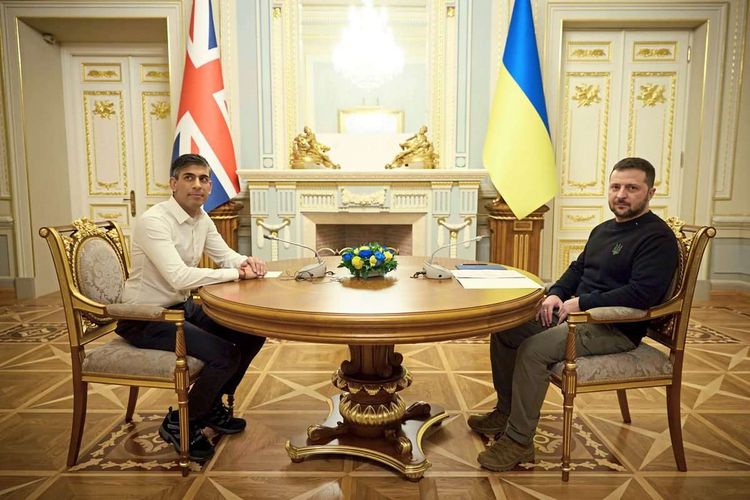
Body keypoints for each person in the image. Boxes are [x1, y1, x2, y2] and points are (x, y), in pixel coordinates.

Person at [469, 157, 679, 471]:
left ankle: (519, 442)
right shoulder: (604, 229)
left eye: (632, 188)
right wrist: (555, 294)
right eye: (615, 187)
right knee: (507, 328)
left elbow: (642, 294)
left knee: (534, 349)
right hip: (579, 317)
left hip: (615, 327)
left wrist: (581, 304)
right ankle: (507, 410)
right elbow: (578, 269)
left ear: (650, 192)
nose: (621, 194)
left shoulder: (657, 238)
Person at [115, 153, 267, 462]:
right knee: (226, 355)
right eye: (189, 177)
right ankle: (182, 421)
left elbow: (225, 255)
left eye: (204, 179)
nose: (197, 185)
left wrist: (245, 262)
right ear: (173, 184)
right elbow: (179, 275)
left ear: (210, 186)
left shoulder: (202, 218)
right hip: (145, 316)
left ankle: (208, 405)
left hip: (181, 308)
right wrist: (236, 273)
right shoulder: (153, 222)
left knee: (253, 332)